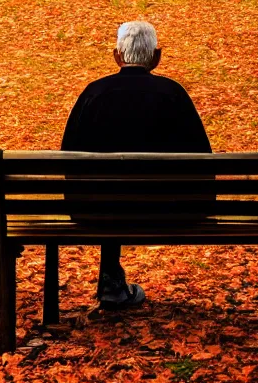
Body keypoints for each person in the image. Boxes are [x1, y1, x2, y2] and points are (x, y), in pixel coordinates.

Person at [61, 20, 212, 309]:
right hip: (168, 211)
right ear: (156, 57)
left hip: (98, 211)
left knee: (108, 191)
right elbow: (203, 159)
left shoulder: (94, 94)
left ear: (117, 55)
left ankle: (111, 282)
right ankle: (113, 283)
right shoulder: (173, 94)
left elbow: (69, 157)